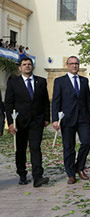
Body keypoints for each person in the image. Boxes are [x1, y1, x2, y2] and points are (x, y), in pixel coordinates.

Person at [5, 57, 50, 187]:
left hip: (36, 121)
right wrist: (11, 122)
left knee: (35, 148)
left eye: (29, 64)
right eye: (24, 64)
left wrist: (46, 117)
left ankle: (37, 177)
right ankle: (22, 174)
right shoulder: (13, 82)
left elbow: (45, 101)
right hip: (19, 122)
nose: (27, 66)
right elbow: (9, 103)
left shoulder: (41, 81)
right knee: (21, 149)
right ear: (20, 67)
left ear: (33, 67)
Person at [51, 56, 90, 184]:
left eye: (76, 63)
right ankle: (71, 173)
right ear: (67, 65)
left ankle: (80, 167)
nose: (74, 66)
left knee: (86, 142)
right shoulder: (60, 81)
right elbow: (56, 101)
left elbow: (88, 99)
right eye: (71, 64)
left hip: (83, 118)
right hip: (67, 119)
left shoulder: (84, 80)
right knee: (69, 147)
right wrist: (55, 119)